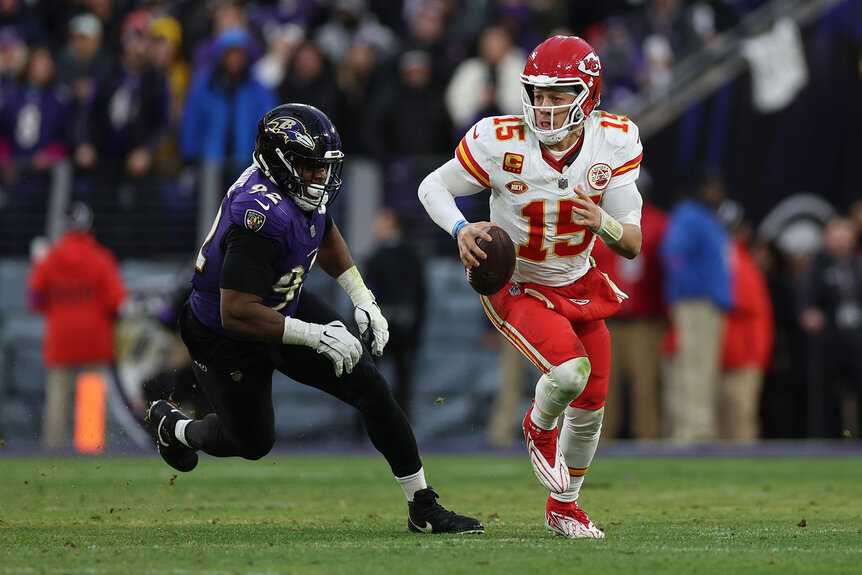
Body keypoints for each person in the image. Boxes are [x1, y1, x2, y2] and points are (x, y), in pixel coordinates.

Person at [147, 103, 483, 535]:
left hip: (280, 305)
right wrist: (313, 335)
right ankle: (177, 430)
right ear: (278, 162)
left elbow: (323, 234)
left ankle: (423, 505)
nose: (320, 177)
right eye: (309, 166)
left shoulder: (298, 191)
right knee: (250, 442)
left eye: (324, 167)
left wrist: (362, 297)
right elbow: (236, 312)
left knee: (372, 388)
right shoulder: (258, 214)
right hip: (225, 335)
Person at [419, 36, 644, 539]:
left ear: (588, 94)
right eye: (537, 94)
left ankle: (564, 506)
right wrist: (461, 229)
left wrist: (601, 220)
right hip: (516, 282)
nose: (543, 107)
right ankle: (537, 426)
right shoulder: (499, 139)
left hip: (577, 278)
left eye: (558, 94)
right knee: (570, 373)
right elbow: (431, 185)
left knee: (591, 403)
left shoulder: (615, 139)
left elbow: (631, 242)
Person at [27, 202, 127, 451]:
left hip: (60, 335)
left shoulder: (50, 258)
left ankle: (53, 448)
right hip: (94, 335)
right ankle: (89, 446)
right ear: (90, 226)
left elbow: (34, 299)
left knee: (58, 393)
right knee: (91, 389)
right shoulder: (101, 258)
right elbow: (117, 301)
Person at [659, 170, 732, 442]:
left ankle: (696, 429)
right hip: (696, 303)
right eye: (711, 188)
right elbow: (673, 255)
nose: (717, 193)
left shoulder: (705, 218)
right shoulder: (689, 214)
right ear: (699, 188)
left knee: (700, 367)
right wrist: (691, 290)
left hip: (707, 303)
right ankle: (693, 431)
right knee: (694, 367)